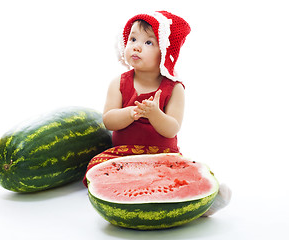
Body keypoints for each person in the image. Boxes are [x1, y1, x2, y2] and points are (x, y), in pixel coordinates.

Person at [83, 11, 231, 216]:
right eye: (133, 39)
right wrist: (130, 113)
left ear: (165, 51)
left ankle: (203, 204)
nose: (136, 46)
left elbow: (172, 129)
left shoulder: (175, 88)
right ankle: (121, 196)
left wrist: (155, 115)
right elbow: (109, 121)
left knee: (180, 176)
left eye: (148, 43)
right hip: (124, 154)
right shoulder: (118, 83)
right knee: (95, 166)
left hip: (162, 156)